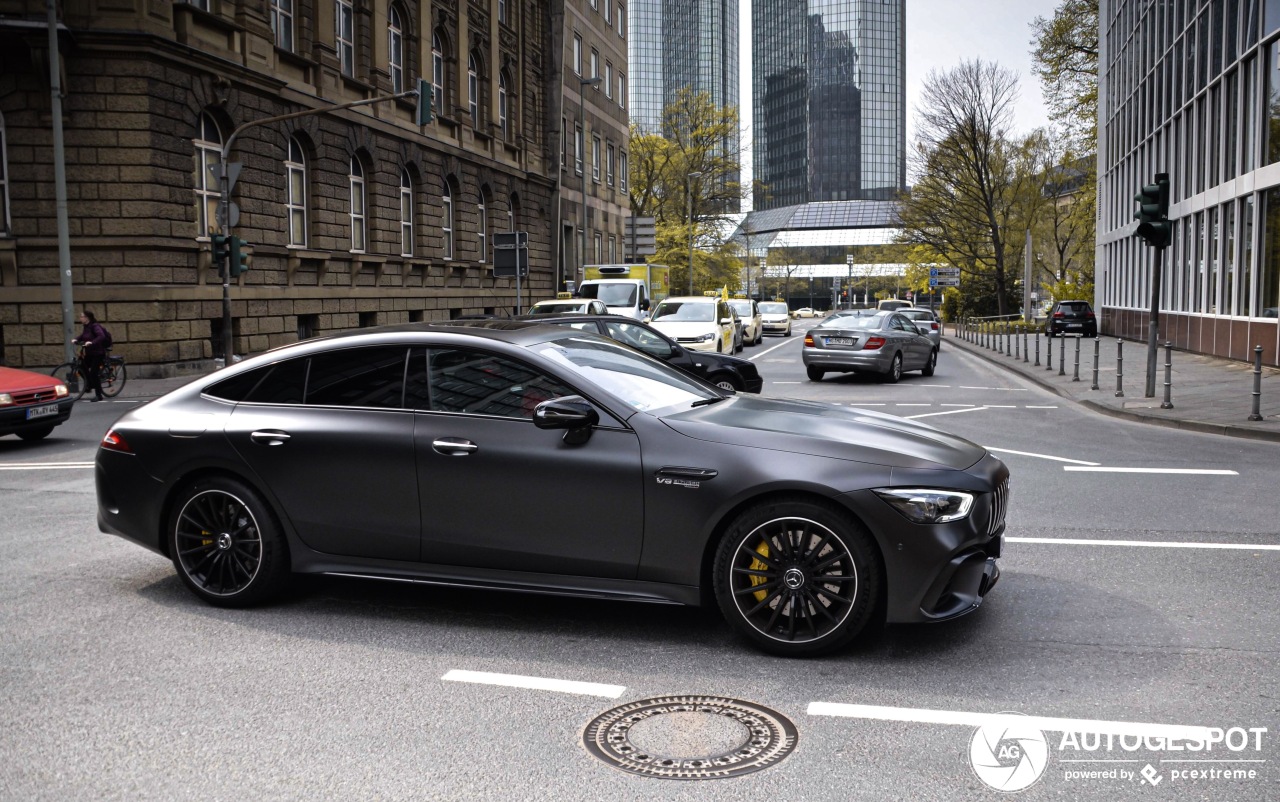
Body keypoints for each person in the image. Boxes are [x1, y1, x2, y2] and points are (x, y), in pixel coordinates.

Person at [71, 309, 109, 401]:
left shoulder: (95, 326)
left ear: (87, 318)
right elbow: (83, 335)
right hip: (90, 353)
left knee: (93, 373)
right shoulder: (86, 326)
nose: (80, 318)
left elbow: (101, 336)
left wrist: (91, 342)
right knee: (81, 368)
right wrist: (76, 339)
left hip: (98, 353)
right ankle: (89, 384)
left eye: (81, 316)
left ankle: (99, 395)